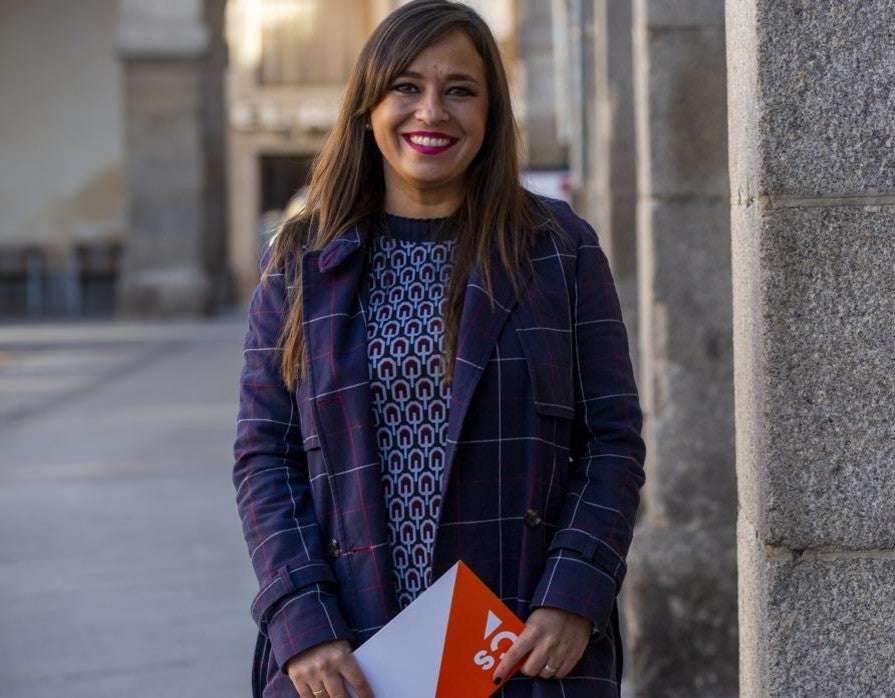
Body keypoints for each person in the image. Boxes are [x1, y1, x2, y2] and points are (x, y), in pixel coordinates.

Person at [232, 2, 645, 696]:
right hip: (350, 645)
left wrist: (577, 588)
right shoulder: (300, 262)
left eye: (460, 89)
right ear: (368, 107)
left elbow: (612, 439)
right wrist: (300, 620)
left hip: (517, 639)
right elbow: (263, 457)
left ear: (490, 112)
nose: (433, 111)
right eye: (406, 88)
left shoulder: (558, 250)